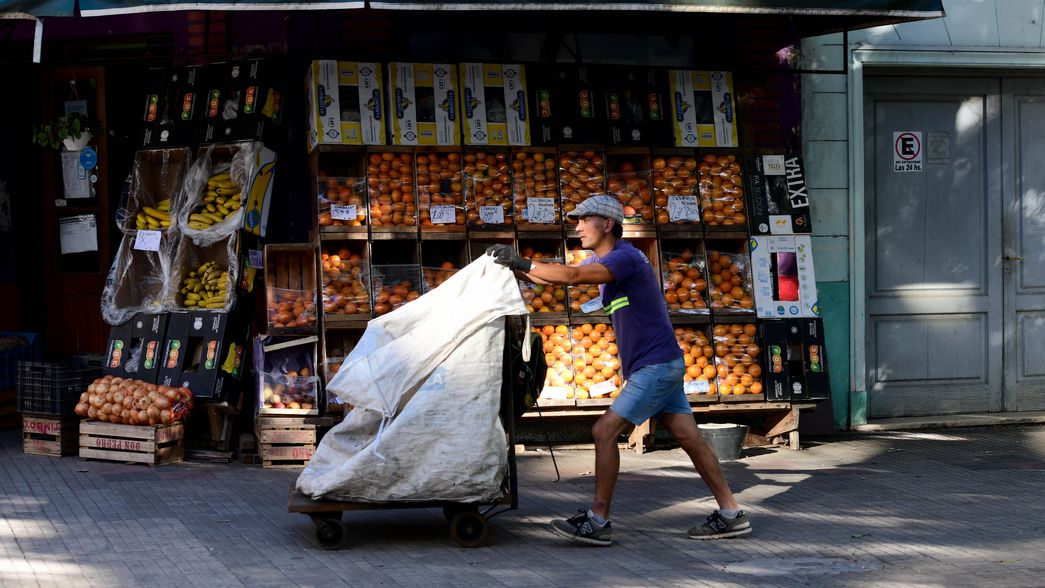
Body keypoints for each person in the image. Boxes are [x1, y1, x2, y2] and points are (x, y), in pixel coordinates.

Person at [487, 195, 750, 546]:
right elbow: (557, 280)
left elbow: (573, 275)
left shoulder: (624, 258)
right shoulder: (607, 260)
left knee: (603, 432)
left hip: (654, 366)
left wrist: (522, 260)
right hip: (660, 363)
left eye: (584, 220)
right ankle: (731, 513)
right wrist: (516, 268)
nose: (577, 226)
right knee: (689, 438)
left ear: (607, 224)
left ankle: (597, 520)